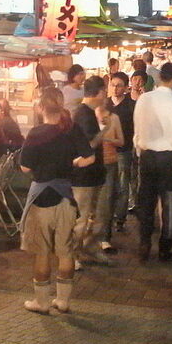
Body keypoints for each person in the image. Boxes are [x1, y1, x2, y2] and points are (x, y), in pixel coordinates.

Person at [19, 89, 95, 313]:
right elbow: (89, 157)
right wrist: (72, 164)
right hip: (66, 197)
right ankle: (63, 301)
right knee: (65, 251)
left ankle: (41, 303)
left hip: (41, 199)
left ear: (41, 107)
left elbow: (25, 167)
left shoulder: (35, 133)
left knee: (42, 253)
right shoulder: (71, 129)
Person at [133, 62, 172, 262]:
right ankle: (165, 248)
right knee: (169, 204)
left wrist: (140, 151)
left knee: (146, 203)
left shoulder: (144, 99)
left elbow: (137, 128)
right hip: (168, 158)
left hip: (147, 156)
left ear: (159, 78)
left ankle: (144, 242)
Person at [71, 76, 113, 265]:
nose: (106, 94)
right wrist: (104, 129)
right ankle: (72, 255)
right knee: (81, 218)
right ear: (99, 92)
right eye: (105, 90)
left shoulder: (88, 112)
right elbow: (89, 144)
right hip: (83, 176)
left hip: (95, 173)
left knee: (96, 216)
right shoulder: (83, 113)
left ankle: (89, 247)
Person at [107, 72, 136, 232]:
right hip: (106, 151)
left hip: (124, 151)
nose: (115, 88)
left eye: (119, 85)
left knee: (123, 185)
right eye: (113, 85)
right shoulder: (105, 104)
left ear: (125, 88)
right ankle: (108, 217)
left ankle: (120, 218)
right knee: (108, 187)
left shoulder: (131, 105)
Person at [97, 97, 124, 253]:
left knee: (107, 200)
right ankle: (90, 237)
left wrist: (107, 138)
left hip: (109, 162)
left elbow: (121, 141)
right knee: (92, 201)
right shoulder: (89, 116)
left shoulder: (114, 118)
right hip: (93, 162)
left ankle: (104, 238)